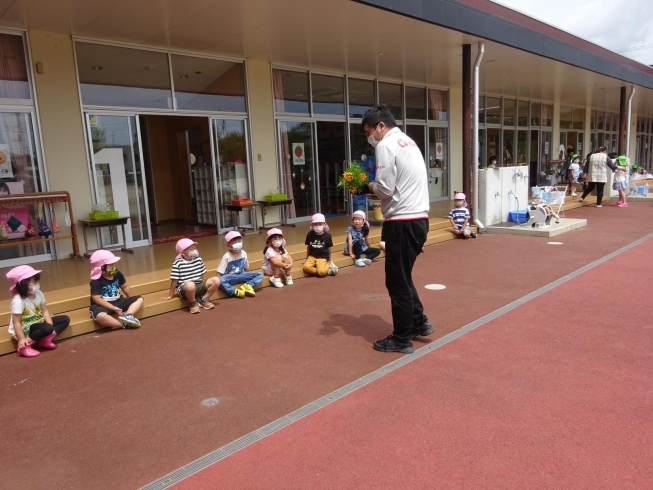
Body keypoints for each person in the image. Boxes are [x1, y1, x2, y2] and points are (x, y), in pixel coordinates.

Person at [363, 104, 432, 354]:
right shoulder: (408, 141)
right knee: (403, 276)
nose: (370, 138)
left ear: (381, 125)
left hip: (402, 221)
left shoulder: (386, 144)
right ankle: (418, 322)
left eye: (369, 131)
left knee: (396, 281)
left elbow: (384, 189)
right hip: (419, 219)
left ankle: (401, 338)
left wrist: (365, 185)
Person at [6, 265, 70, 358]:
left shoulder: (39, 293)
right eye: (34, 282)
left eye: (37, 281)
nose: (37, 284)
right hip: (25, 328)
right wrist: (21, 338)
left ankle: (44, 340)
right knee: (47, 328)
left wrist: (50, 326)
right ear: (23, 284)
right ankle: (24, 346)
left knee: (65, 319)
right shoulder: (18, 301)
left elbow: (45, 310)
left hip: (38, 322)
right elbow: (16, 322)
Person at [161, 238, 220, 314]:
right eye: (191, 249)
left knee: (216, 280)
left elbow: (201, 275)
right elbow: (174, 280)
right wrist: (170, 295)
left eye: (194, 248)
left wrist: (202, 287)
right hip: (185, 288)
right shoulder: (178, 263)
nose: (194, 251)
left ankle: (204, 299)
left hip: (197, 284)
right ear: (183, 252)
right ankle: (193, 303)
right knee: (190, 285)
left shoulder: (198, 259)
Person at [89, 250, 143, 329]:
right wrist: (112, 307)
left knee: (139, 299)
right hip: (102, 305)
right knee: (100, 316)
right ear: (102, 267)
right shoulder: (96, 281)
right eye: (111, 265)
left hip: (118, 301)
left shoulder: (118, 274)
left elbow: (125, 287)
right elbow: (97, 299)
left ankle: (127, 316)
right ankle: (123, 324)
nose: (114, 266)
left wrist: (131, 298)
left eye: (114, 264)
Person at [217, 231, 264, 299]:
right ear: (228, 244)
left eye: (239, 240)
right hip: (230, 277)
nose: (237, 243)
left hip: (242, 274)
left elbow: (246, 268)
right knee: (220, 280)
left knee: (260, 274)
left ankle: (248, 285)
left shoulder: (244, 253)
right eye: (234, 241)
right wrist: (218, 282)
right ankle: (234, 291)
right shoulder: (226, 256)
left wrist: (247, 276)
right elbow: (219, 273)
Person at [303, 213, 337, 277]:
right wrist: (307, 258)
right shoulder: (309, 234)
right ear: (312, 225)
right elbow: (308, 247)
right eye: (315, 224)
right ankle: (327, 272)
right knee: (306, 267)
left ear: (324, 224)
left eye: (320, 224)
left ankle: (326, 267)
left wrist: (329, 259)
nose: (318, 226)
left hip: (323, 257)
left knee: (321, 272)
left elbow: (329, 248)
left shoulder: (327, 236)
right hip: (312, 257)